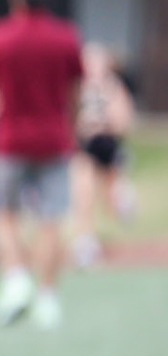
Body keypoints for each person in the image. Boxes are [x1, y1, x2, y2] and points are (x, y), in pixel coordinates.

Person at [0, 0, 82, 329]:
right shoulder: (66, 36)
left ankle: (17, 278)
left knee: (3, 214)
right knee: (51, 219)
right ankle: (48, 296)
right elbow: (74, 91)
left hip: (9, 139)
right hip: (55, 138)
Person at [67, 42, 136, 266]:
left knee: (112, 197)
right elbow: (69, 116)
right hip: (84, 145)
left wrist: (105, 121)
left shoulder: (113, 87)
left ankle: (122, 200)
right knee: (83, 191)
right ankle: (85, 240)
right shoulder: (76, 86)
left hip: (108, 145)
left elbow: (123, 121)